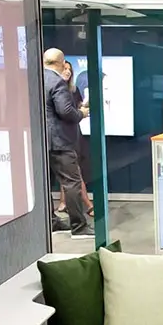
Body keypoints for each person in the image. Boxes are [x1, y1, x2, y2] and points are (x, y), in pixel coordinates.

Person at [43, 48, 92, 239]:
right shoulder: (57, 82)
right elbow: (66, 111)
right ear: (62, 63)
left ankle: (52, 221)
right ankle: (79, 227)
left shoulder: (38, 79)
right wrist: (82, 113)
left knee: (44, 183)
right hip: (60, 142)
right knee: (72, 183)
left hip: (42, 142)